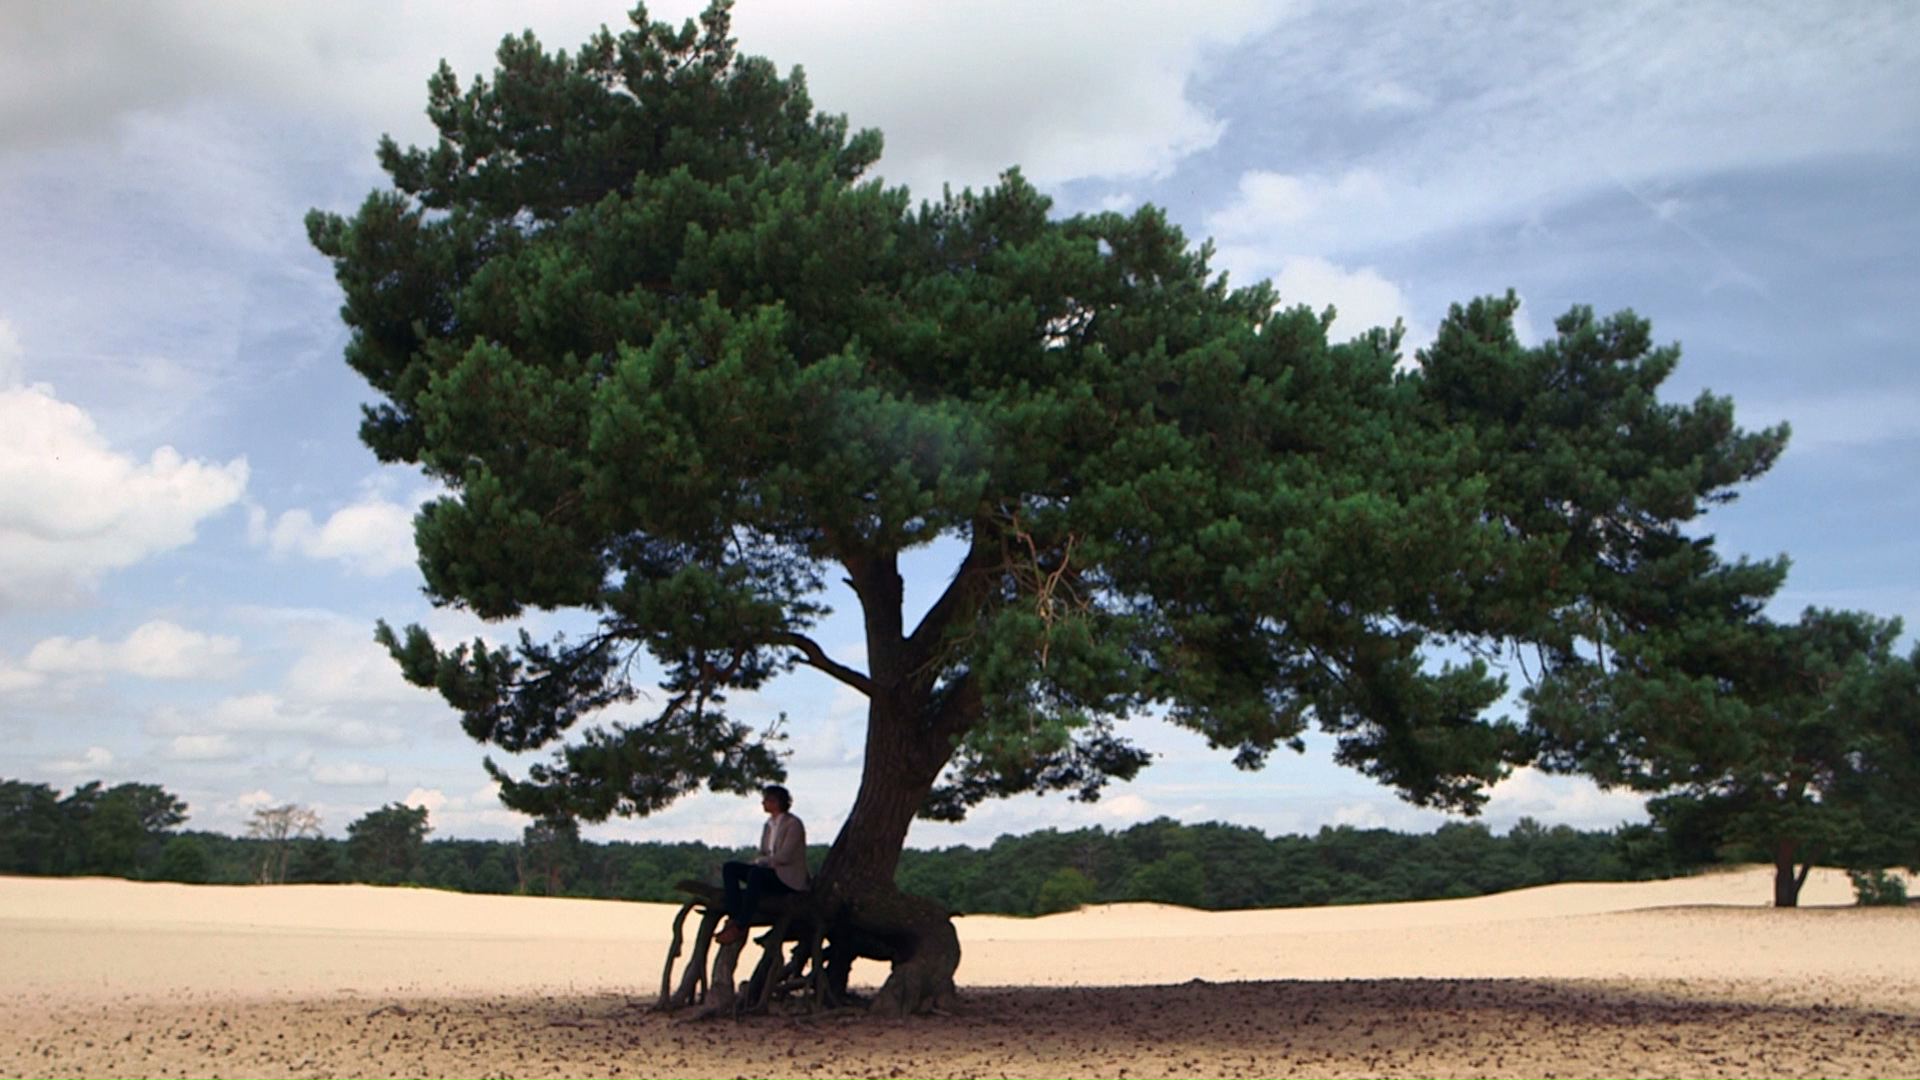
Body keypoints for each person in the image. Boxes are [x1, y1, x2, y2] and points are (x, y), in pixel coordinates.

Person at [715, 784, 808, 945]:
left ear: (776, 802)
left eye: (766, 800)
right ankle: (735, 915)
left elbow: (785, 856)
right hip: (769, 870)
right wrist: (760, 862)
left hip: (786, 877)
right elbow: (765, 852)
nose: (763, 803)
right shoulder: (768, 825)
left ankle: (741, 924)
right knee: (730, 868)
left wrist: (761, 862)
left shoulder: (793, 824)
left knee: (756, 873)